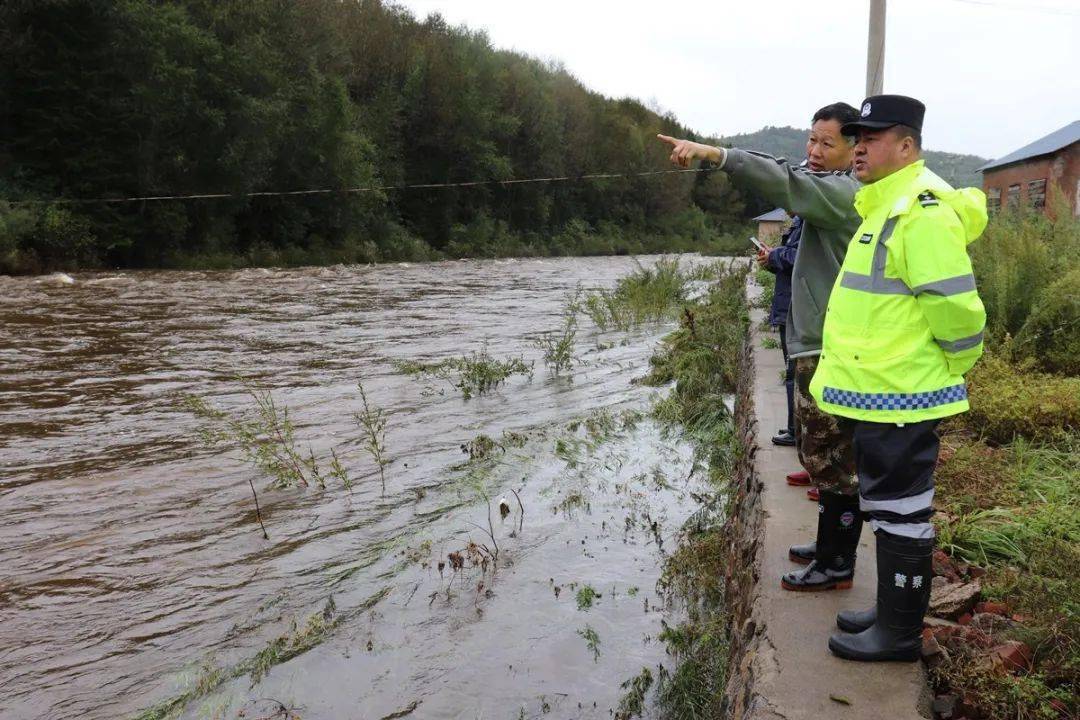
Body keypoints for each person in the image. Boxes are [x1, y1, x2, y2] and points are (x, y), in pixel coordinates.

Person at [658, 102, 866, 593]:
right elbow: (787, 172)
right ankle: (829, 547)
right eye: (811, 140)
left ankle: (839, 564)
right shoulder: (831, 187)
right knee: (822, 456)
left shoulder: (843, 195)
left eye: (826, 143)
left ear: (855, 150)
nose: (813, 151)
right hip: (817, 343)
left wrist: (718, 155)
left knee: (835, 464)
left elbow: (786, 184)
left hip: (829, 348)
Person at [808, 95, 987, 661]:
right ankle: (890, 611)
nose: (859, 147)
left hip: (903, 395)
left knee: (905, 513)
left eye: (874, 137)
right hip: (881, 394)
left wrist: (948, 368)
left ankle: (901, 633)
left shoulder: (921, 211)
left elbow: (957, 310)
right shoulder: (883, 207)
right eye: (856, 136)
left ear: (907, 145)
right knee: (887, 508)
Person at [758, 212, 802, 448]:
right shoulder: (799, 222)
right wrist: (770, 260)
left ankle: (796, 430)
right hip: (788, 306)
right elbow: (787, 266)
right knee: (791, 372)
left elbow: (801, 258)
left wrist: (774, 254)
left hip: (796, 309)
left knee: (793, 373)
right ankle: (793, 426)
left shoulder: (810, 222)